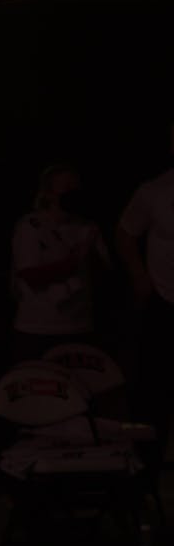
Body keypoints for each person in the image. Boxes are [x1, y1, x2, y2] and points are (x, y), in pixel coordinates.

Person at [115, 117, 174, 519]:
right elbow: (124, 233)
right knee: (153, 398)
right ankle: (142, 492)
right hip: (165, 305)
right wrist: (139, 277)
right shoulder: (155, 191)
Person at [8, 164, 111, 363]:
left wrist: (92, 253)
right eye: (67, 186)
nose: (74, 191)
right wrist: (76, 258)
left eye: (77, 186)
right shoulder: (30, 226)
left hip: (80, 326)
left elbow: (103, 275)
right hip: (38, 329)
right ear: (49, 193)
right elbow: (32, 277)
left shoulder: (87, 227)